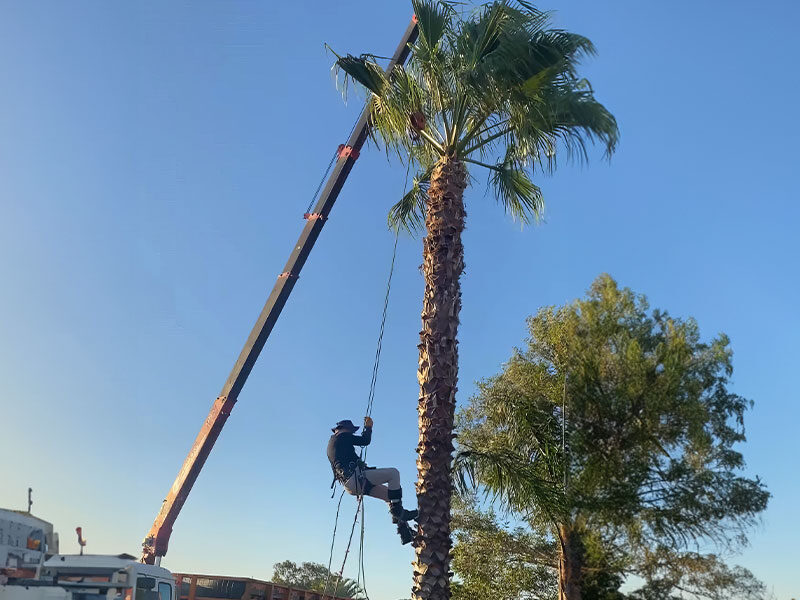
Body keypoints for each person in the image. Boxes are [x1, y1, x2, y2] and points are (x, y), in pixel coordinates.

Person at [327, 416, 418, 544]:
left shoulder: (333, 444)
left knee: (389, 496)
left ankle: (404, 532)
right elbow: (365, 440)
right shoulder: (341, 436)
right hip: (356, 479)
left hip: (351, 484)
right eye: (351, 431)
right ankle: (398, 512)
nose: (352, 433)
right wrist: (368, 427)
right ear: (344, 429)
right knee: (393, 473)